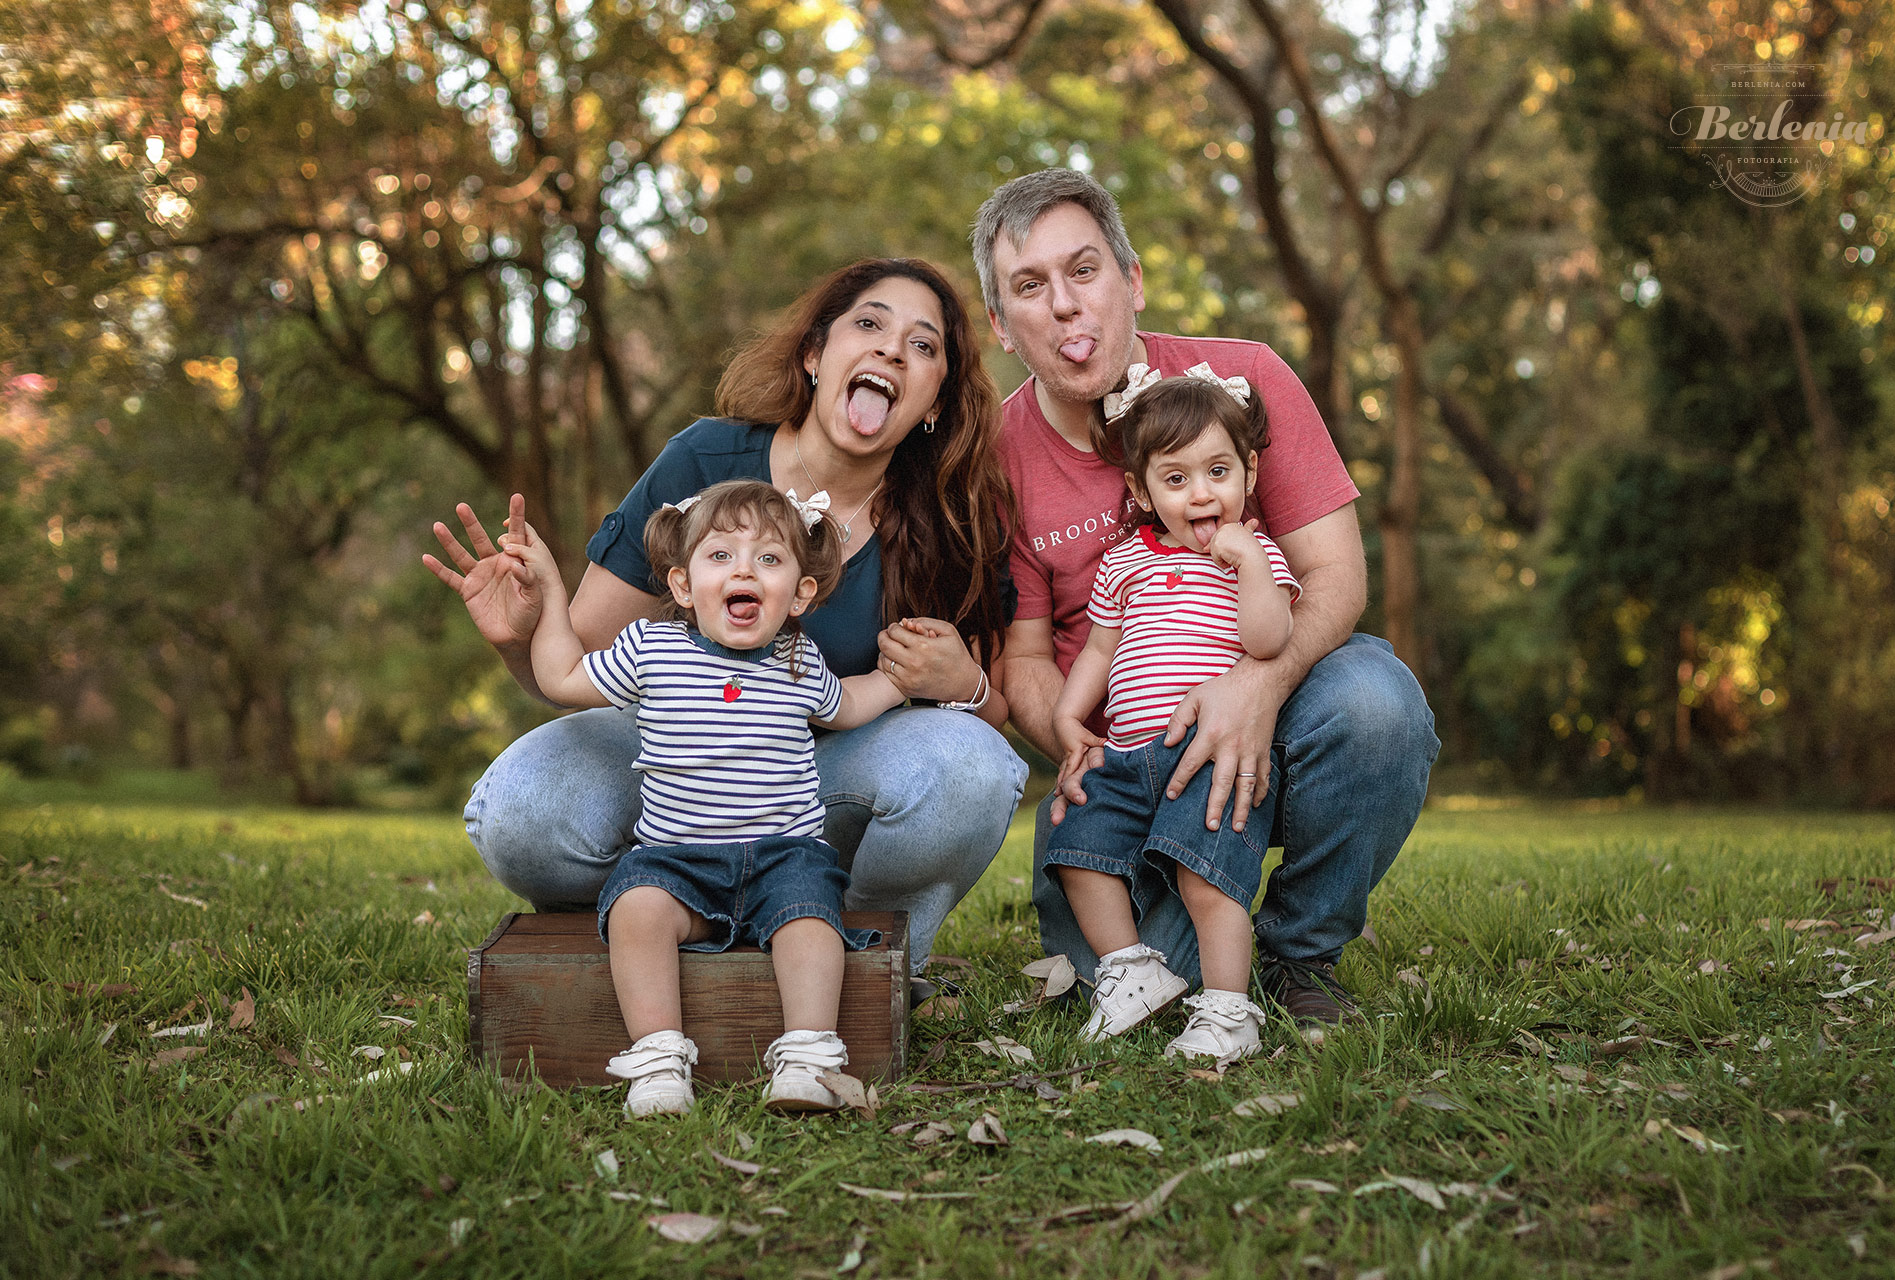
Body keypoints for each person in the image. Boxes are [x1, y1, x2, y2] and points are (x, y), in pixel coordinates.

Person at [427, 259, 1028, 985]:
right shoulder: (706, 459)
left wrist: (964, 686)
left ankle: (866, 961)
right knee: (523, 809)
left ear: (934, 401)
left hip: (823, 782)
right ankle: (660, 922)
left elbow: (994, 718)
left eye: (924, 346)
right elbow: (577, 665)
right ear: (814, 355)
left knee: (971, 768)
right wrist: (521, 634)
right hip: (680, 766)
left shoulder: (950, 518)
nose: (891, 350)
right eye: (868, 324)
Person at [972, 168, 1440, 1028]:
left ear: (1133, 279)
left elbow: (1338, 575)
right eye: (1030, 288)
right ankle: (1191, 943)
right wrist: (1091, 757)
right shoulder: (996, 459)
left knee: (1377, 705)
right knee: (1145, 978)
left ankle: (1302, 950)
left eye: (1085, 271)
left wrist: (1256, 689)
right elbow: (1027, 659)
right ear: (1002, 326)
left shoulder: (1243, 381)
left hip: (1275, 721)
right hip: (1128, 766)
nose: (1067, 305)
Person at [490, 480, 907, 1115]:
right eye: (721, 556)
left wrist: (898, 680)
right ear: (683, 586)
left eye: (769, 559)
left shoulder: (798, 657)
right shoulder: (652, 649)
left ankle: (806, 1056)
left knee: (812, 921)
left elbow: (847, 707)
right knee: (637, 912)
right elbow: (562, 677)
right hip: (675, 861)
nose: (745, 569)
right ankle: (659, 1060)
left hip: (784, 855)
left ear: (800, 594)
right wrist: (549, 591)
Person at [1045, 373, 1300, 1064]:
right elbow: (1101, 648)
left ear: (1248, 472)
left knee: (1205, 879)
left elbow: (1269, 641)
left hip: (1215, 756)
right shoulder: (1123, 563)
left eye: (1218, 472)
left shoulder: (1257, 556)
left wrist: (1248, 560)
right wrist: (1070, 717)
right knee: (1071, 833)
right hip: (1129, 754)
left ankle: (1227, 1012)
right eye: (1177, 478)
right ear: (1141, 492)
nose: (1201, 494)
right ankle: (1130, 968)